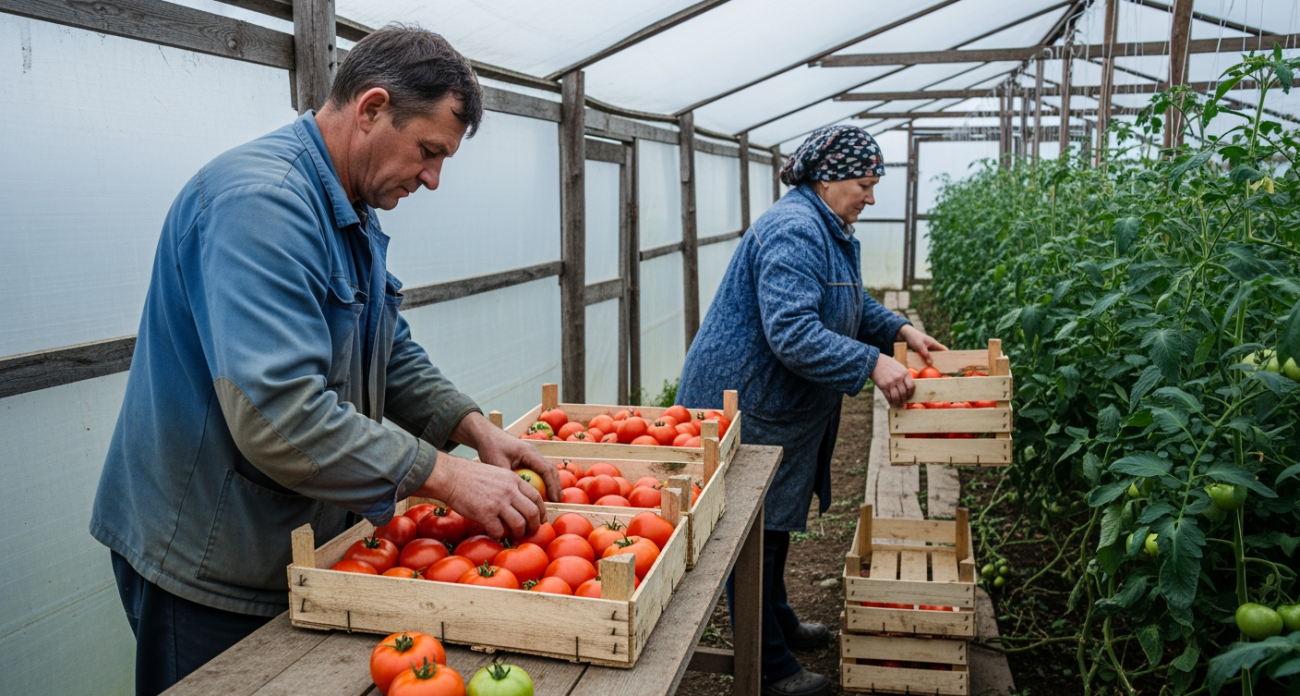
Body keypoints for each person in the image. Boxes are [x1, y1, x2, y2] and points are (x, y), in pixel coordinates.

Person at [89, 26, 559, 696]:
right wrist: (444, 476)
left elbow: (385, 345)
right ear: (371, 109)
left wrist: (472, 429)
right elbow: (277, 410)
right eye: (428, 152)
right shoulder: (266, 205)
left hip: (289, 538)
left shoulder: (348, 204)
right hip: (207, 554)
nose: (432, 178)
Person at [675, 125, 945, 696]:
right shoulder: (795, 229)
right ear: (828, 177)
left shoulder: (830, 224)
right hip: (746, 398)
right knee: (753, 532)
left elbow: (846, 297)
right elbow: (792, 330)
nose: (871, 197)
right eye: (865, 185)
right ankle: (769, 664)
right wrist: (872, 364)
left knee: (773, 522)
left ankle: (779, 620)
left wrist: (897, 329)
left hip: (778, 399)